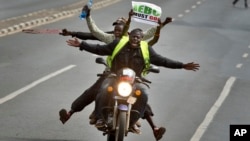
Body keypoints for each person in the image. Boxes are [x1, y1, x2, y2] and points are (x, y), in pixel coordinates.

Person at [60, 5, 172, 140]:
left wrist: (162, 25)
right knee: (95, 91)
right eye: (115, 27)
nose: (117, 30)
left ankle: (153, 127)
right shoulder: (111, 39)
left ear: (127, 30)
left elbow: (150, 34)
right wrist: (79, 26)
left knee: (141, 96)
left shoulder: (135, 40)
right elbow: (94, 33)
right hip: (112, 74)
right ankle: (85, 114)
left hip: (131, 77)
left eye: (120, 26)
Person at [66, 28, 200, 140]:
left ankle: (134, 120)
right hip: (115, 77)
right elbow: (100, 49)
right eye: (133, 36)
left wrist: (182, 65)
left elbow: (162, 60)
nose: (135, 39)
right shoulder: (118, 43)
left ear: (142, 39)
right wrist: (82, 45)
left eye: (138, 37)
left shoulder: (146, 49)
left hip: (135, 81)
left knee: (143, 93)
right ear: (129, 35)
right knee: (104, 88)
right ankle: (100, 118)